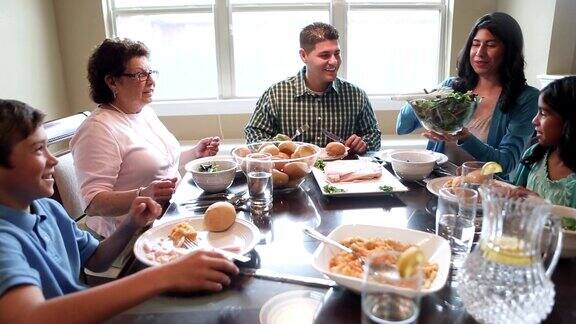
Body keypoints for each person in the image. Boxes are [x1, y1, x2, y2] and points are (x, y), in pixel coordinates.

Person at [0, 99, 239, 323]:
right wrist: (165, 275)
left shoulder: (47, 208)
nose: (53, 160)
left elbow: (96, 260)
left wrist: (130, 224)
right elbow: (28, 317)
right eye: (38, 149)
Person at [71, 38, 221, 238]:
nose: (151, 81)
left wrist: (194, 153)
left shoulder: (142, 112)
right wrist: (141, 195)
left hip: (168, 217)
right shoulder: (97, 130)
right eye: (140, 75)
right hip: (127, 238)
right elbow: (93, 204)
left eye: (150, 73)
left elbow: (159, 167)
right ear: (112, 81)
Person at [396, 12, 538, 176]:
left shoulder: (526, 98)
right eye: (475, 44)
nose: (480, 52)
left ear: (509, 51)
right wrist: (421, 99)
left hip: (485, 193)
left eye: (491, 45)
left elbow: (506, 163)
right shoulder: (452, 87)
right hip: (436, 183)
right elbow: (402, 127)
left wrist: (464, 137)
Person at [244, 22, 381, 154]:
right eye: (325, 55)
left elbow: (374, 136)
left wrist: (363, 144)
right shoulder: (276, 94)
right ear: (304, 55)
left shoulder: (356, 95)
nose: (334, 61)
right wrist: (280, 148)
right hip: (294, 175)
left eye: (337, 53)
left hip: (341, 174)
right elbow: (254, 135)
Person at [511, 77, 576, 208]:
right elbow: (514, 194)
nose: (534, 120)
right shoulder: (534, 154)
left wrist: (543, 207)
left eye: (544, 113)